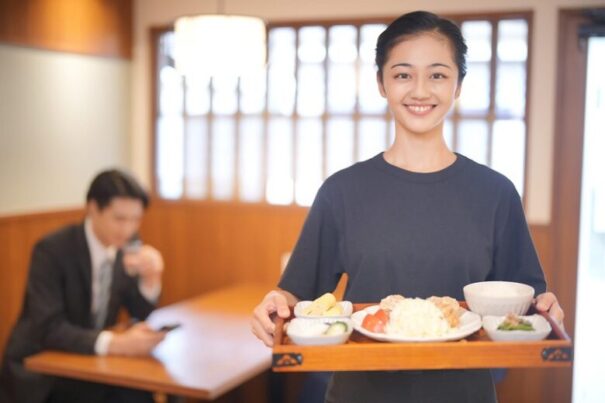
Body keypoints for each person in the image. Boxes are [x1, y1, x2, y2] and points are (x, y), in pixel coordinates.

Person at [251, 10, 565, 403]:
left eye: (437, 74)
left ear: (458, 85)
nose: (420, 90)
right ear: (381, 83)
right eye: (403, 74)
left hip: (464, 394)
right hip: (360, 394)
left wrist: (545, 305)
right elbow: (297, 295)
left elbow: (530, 304)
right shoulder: (342, 191)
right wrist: (275, 304)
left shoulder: (496, 193)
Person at [0, 169, 167, 403]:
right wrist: (115, 344)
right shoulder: (52, 250)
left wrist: (151, 279)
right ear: (93, 208)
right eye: (119, 219)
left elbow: (141, 313)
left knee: (141, 395)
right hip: (44, 369)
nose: (128, 229)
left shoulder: (125, 249)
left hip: (89, 362)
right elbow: (49, 328)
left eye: (136, 219)